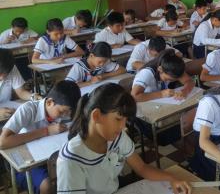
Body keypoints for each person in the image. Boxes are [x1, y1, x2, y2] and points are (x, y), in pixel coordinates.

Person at [57, 83, 191, 194]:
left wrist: (172, 178)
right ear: (96, 115)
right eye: (118, 119)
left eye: (125, 120)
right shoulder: (71, 160)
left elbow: (142, 168)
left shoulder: (117, 137)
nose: (122, 126)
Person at [0, 80, 80, 194]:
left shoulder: (67, 111)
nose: (66, 115)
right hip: (28, 162)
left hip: (53, 158)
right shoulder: (28, 109)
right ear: (49, 102)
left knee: (75, 174)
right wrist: (46, 131)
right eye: (62, 112)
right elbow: (2, 142)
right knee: (48, 186)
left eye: (68, 112)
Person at [131, 49, 195, 102]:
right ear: (160, 69)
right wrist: (161, 94)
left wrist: (184, 91)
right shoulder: (146, 73)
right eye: (168, 79)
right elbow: (134, 96)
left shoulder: (175, 68)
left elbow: (189, 81)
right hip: (145, 105)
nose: (169, 81)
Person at [0, 49, 40, 119]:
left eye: (5, 74)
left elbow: (20, 92)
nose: (2, 77)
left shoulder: (11, 68)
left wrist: (33, 97)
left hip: (7, 108)